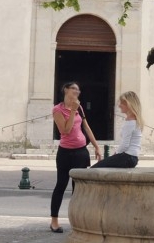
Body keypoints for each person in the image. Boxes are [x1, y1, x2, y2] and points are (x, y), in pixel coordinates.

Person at [50, 82, 101, 233]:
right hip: (65, 153)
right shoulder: (57, 110)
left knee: (77, 189)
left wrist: (96, 146)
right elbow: (65, 130)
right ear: (66, 90)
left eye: (78, 90)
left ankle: (76, 221)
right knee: (61, 185)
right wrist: (72, 111)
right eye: (74, 89)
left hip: (81, 152)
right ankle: (54, 221)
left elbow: (86, 127)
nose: (77, 92)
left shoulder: (79, 107)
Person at [91, 91, 143, 168]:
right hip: (133, 157)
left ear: (128, 104)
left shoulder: (130, 123)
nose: (119, 105)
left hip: (127, 157)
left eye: (122, 103)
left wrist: (116, 154)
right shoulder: (135, 121)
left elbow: (125, 145)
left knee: (95, 168)